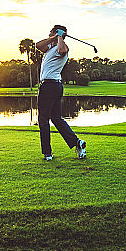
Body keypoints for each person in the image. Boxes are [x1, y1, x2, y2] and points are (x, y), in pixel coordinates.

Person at [35, 25, 86, 161]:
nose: (48, 33)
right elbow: (37, 45)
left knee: (43, 119)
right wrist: (55, 37)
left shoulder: (62, 48)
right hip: (54, 86)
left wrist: (59, 37)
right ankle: (77, 143)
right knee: (56, 119)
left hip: (50, 86)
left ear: (56, 32)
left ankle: (47, 153)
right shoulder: (49, 48)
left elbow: (63, 50)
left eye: (51, 31)